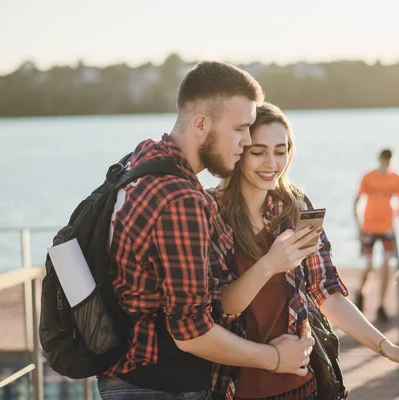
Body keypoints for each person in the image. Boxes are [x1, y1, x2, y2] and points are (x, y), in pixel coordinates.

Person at [100, 61, 314, 400]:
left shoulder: (142, 160)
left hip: (126, 373)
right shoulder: (181, 199)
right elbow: (191, 332)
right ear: (201, 124)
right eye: (240, 129)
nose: (246, 142)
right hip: (159, 384)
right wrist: (274, 359)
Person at [208, 103, 399, 400]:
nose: (271, 163)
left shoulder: (295, 207)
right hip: (234, 387)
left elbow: (325, 292)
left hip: (302, 383)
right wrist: (269, 264)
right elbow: (222, 306)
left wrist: (387, 348)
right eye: (258, 151)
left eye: (280, 150)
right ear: (240, 153)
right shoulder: (211, 212)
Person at [353, 148, 399, 321]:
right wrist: (358, 225)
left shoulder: (396, 178)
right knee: (369, 266)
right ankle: (361, 293)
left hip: (388, 228)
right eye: (385, 160)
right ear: (379, 159)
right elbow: (357, 200)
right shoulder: (369, 177)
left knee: (387, 266)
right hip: (369, 227)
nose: (387, 164)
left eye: (390, 161)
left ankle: (381, 304)